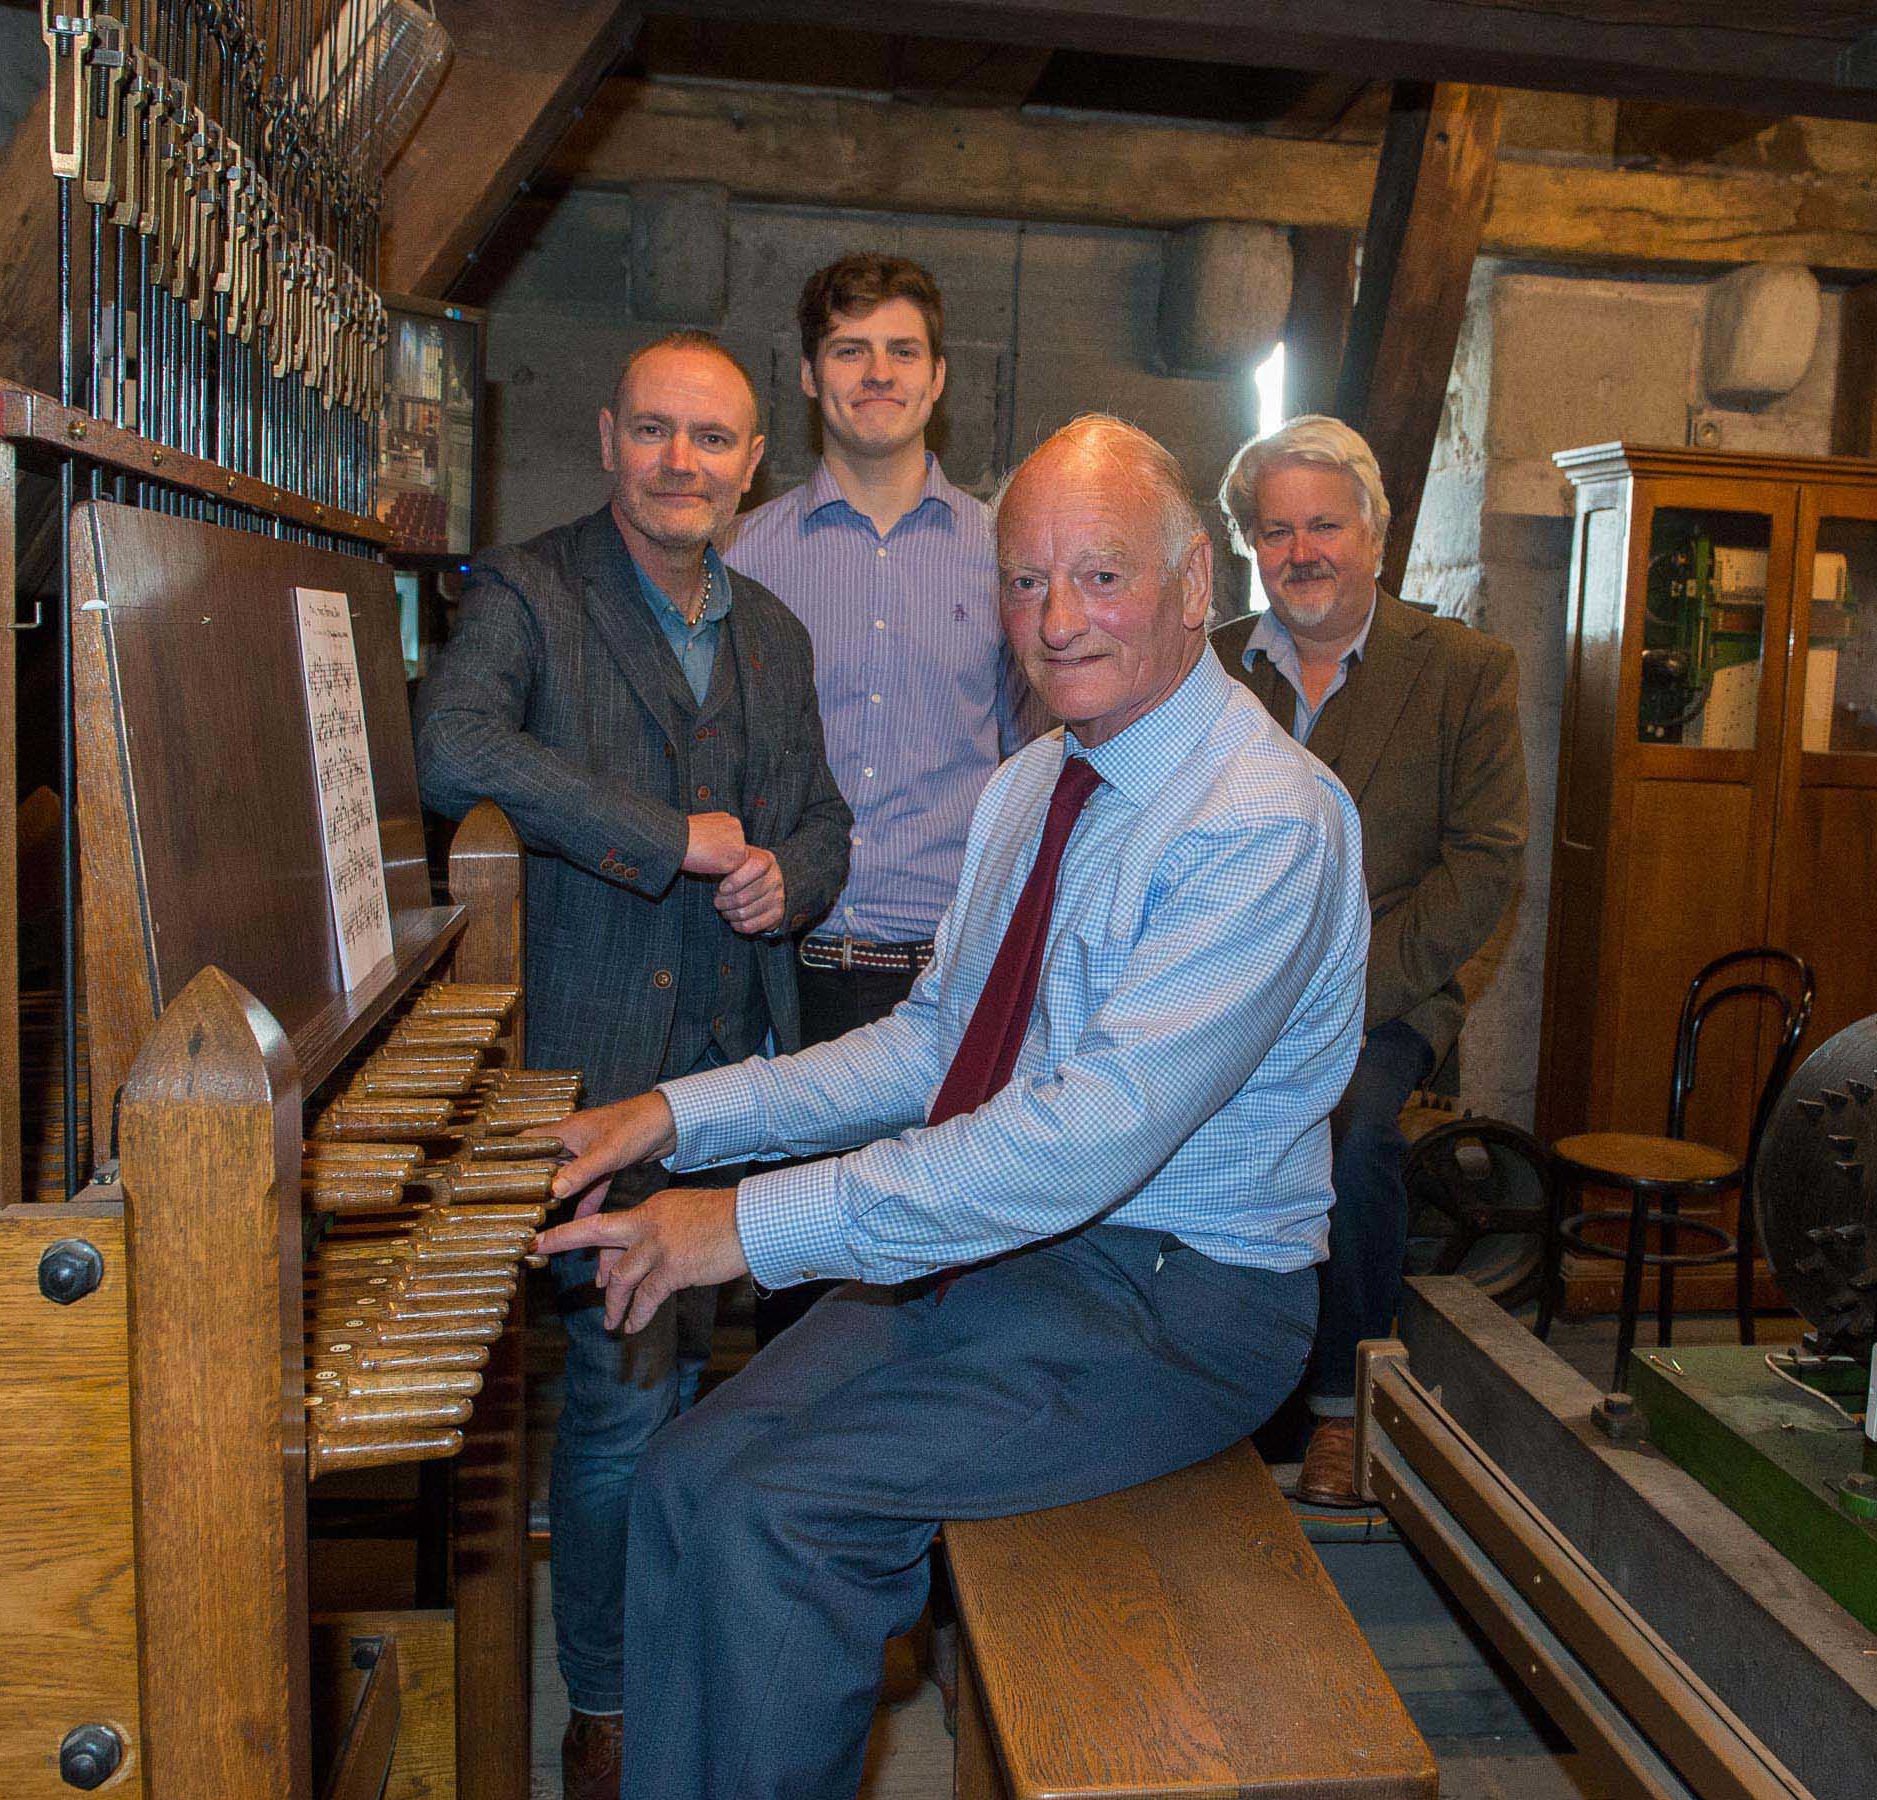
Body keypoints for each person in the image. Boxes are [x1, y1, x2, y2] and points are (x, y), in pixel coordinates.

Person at [534, 415, 1370, 1800]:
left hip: (1183, 1299)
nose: (1057, 620)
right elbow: (934, 1048)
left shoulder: (1266, 823)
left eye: (1100, 578)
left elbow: (1078, 1141)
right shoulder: (1033, 780)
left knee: (777, 1521)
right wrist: (672, 1119)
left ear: (1192, 589)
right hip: (1022, 1249)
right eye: (1026, 581)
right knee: (686, 1476)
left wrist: (741, 1227)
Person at [412, 330, 852, 1800]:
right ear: (607, 439)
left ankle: (663, 1665)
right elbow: (452, 748)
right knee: (612, 1405)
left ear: (751, 465)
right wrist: (670, 844)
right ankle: (602, 1707)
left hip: (740, 1076)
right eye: (657, 432)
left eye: (713, 440)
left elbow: (826, 823)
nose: (683, 463)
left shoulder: (776, 632)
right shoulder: (525, 593)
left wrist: (791, 873)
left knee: (688, 1403)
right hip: (587, 1081)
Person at [722, 251, 1044, 1343]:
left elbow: (1036, 770)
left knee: (947, 1306)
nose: (876, 373)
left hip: (953, 988)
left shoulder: (1007, 559)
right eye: (848, 351)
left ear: (937, 377)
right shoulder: (743, 558)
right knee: (799, 1294)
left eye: (900, 350)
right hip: (791, 984)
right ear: (808, 379)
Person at [1211, 413, 1527, 1507]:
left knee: (1341, 1143)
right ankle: (1209, 1394)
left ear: (1375, 538)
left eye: (1324, 527)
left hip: (1381, 1000)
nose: (1301, 551)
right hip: (1218, 988)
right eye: (1275, 530)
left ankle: (1347, 1406)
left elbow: (1482, 868)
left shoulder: (1464, 672)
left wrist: (1339, 995)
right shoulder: (1201, 669)